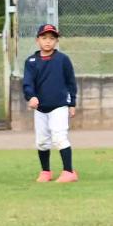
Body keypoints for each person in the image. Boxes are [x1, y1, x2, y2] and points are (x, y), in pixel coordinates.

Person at [22, 22, 79, 183]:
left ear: (56, 41)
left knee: (59, 137)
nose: (48, 41)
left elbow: (71, 82)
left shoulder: (62, 60)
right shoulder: (31, 61)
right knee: (41, 141)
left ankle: (69, 171)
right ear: (37, 40)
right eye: (44, 37)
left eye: (52, 38)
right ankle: (45, 171)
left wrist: (72, 103)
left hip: (59, 105)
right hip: (40, 108)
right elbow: (28, 83)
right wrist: (31, 96)